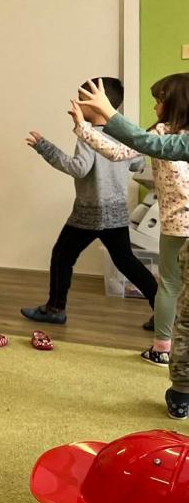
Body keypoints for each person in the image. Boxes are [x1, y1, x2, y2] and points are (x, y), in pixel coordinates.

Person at [75, 78, 189, 419]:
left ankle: (162, 349)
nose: (155, 105)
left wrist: (91, 124)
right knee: (175, 292)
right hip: (175, 225)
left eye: (159, 100)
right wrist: (85, 127)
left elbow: (125, 148)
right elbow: (124, 149)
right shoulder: (166, 134)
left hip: (176, 225)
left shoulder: (163, 135)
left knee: (170, 287)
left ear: (175, 102)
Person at [21, 77, 157, 328]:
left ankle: (55, 309)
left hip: (90, 212)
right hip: (116, 210)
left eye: (82, 98)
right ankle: (163, 311)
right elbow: (137, 164)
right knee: (126, 261)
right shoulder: (124, 132)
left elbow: (79, 168)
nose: (77, 102)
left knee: (62, 255)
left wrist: (45, 148)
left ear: (97, 104)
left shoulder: (89, 134)